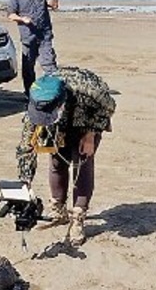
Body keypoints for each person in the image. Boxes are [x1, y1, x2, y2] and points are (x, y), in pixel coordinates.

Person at [15, 66, 115, 246]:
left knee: (82, 164)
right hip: (59, 127)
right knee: (56, 162)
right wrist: (25, 184)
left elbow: (108, 107)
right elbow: (26, 147)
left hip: (86, 120)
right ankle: (58, 210)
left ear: (60, 104)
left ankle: (78, 217)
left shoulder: (90, 90)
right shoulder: (37, 101)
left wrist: (91, 133)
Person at [7, 0, 60, 97]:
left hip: (44, 35)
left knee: (49, 63)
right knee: (28, 68)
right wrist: (22, 19)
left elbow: (54, 5)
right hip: (28, 37)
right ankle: (30, 94)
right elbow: (10, 14)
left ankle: (55, 91)